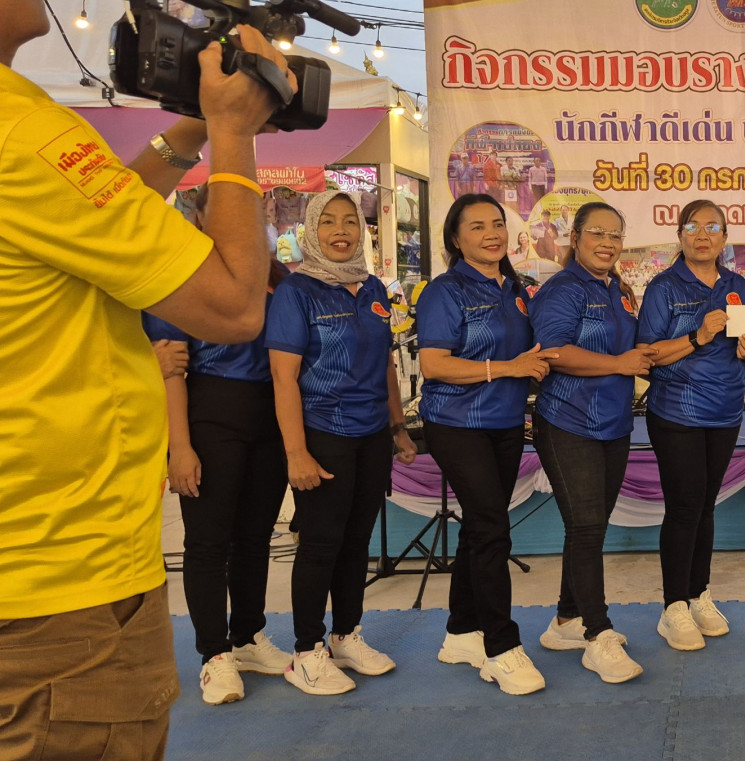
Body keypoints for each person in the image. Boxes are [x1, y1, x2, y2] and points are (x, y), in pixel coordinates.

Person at [0, 0, 290, 757]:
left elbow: (84, 234)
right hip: (60, 592)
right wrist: (234, 134)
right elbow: (234, 306)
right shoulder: (22, 133)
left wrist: (190, 130)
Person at [145, 188, 296, 707]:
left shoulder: (277, 277)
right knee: (208, 542)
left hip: (269, 418)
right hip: (211, 414)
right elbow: (171, 369)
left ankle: (248, 637)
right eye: (227, 210)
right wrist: (180, 447)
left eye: (251, 211)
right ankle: (214, 654)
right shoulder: (182, 275)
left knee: (254, 538)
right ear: (202, 216)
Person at [267, 191, 418, 696]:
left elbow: (386, 365)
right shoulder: (297, 291)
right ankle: (306, 652)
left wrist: (397, 427)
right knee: (320, 545)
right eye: (328, 221)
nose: (340, 230)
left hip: (372, 435)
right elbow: (283, 379)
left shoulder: (374, 288)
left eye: (350, 221)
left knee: (357, 543)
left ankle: (346, 635)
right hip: (322, 433)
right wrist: (296, 453)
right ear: (311, 231)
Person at [417, 193, 558, 695]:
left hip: (505, 422)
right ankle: (501, 646)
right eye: (476, 226)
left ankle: (461, 632)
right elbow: (433, 364)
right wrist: (509, 368)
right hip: (456, 422)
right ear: (456, 239)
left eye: (497, 224)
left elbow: (532, 351)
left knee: (480, 529)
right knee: (493, 529)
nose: (491, 234)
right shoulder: (444, 291)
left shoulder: (516, 289)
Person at [530, 202, 657, 683]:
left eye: (615, 235)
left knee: (591, 526)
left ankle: (566, 619)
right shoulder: (562, 289)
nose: (607, 243)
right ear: (575, 237)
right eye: (597, 233)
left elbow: (632, 349)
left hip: (613, 423)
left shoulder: (617, 289)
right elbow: (553, 351)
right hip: (568, 421)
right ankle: (596, 633)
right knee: (585, 527)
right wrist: (620, 364)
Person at [636, 200, 745, 651]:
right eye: (692, 227)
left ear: (725, 237)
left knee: (705, 506)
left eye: (712, 227)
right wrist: (698, 336)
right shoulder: (663, 287)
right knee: (685, 507)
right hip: (677, 412)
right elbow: (647, 356)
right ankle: (673, 607)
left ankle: (698, 593)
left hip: (726, 410)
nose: (702, 235)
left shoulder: (737, 285)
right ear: (680, 235)